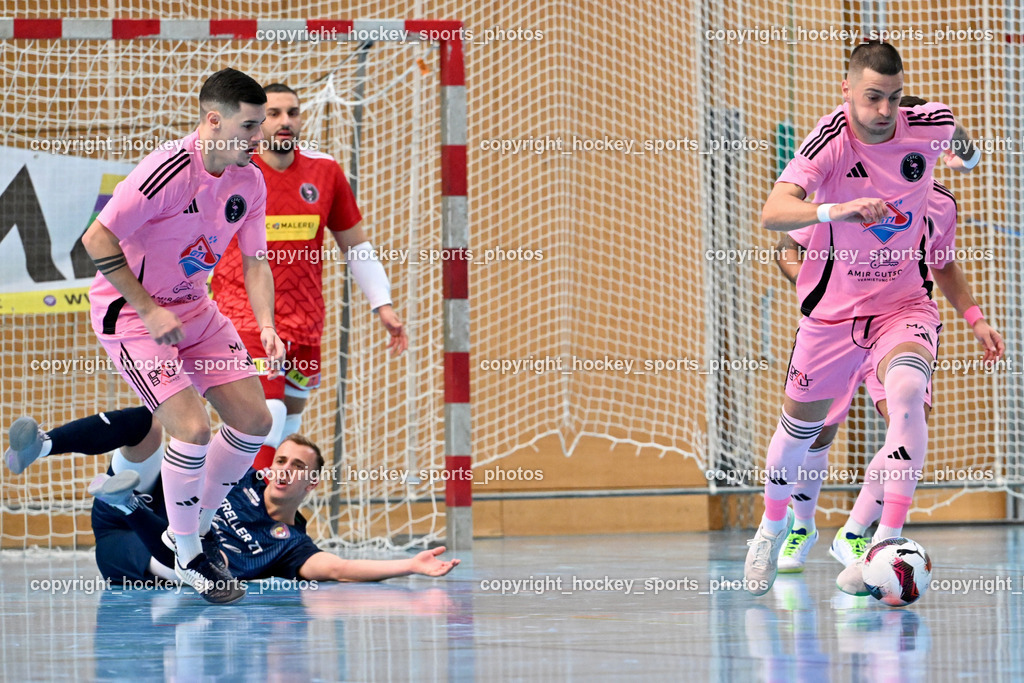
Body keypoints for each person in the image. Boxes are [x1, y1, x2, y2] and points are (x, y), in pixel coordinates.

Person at [745, 40, 982, 596]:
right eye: (873, 97)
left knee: (904, 395)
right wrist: (838, 208)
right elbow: (773, 213)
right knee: (801, 432)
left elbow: (964, 151)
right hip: (831, 317)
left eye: (894, 99)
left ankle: (882, 541)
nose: (884, 111)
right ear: (847, 91)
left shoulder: (930, 128)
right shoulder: (831, 140)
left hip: (902, 308)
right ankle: (772, 527)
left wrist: (965, 156)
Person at [80, 67, 285, 604]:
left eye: (260, 126)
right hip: (131, 314)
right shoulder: (166, 171)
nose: (257, 138)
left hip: (195, 310)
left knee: (255, 421)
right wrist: (148, 310)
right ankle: (189, 551)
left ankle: (187, 524)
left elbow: (256, 260)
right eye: (249, 126)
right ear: (213, 122)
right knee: (191, 429)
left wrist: (266, 324)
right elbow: (96, 237)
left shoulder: (250, 179)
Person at [772, 170, 1003, 575]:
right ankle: (802, 526)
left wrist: (975, 318)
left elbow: (944, 264)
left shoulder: (940, 203)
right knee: (816, 432)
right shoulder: (849, 195)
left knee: (908, 411)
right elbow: (786, 246)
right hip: (837, 325)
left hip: (898, 322)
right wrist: (811, 287)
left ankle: (858, 532)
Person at [212, 83, 409, 469]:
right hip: (245, 316)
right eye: (274, 114)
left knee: (288, 424)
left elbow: (356, 245)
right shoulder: (232, 171)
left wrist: (382, 304)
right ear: (255, 123)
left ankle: (255, 510)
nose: (285, 122)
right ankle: (247, 517)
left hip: (305, 321)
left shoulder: (324, 171)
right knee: (266, 416)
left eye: (293, 113)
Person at [87, 433, 458, 586]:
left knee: (185, 557)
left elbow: (339, 568)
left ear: (312, 483)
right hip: (133, 512)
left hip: (134, 558)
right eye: (281, 459)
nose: (285, 469)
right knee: (144, 427)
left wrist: (410, 564)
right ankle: (49, 443)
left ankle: (130, 505)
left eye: (298, 466)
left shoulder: (291, 545)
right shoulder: (238, 479)